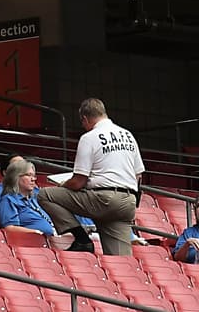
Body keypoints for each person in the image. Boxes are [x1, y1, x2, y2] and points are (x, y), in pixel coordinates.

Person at [40, 97, 146, 256]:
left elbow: (78, 182)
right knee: (120, 260)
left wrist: (64, 185)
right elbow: (138, 174)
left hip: (103, 199)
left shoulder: (89, 137)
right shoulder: (128, 135)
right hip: (127, 202)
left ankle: (82, 239)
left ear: (85, 118)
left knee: (45, 195)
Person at [0, 158, 61, 238]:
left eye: (34, 176)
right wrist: (36, 233)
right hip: (33, 242)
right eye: (28, 175)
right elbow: (9, 228)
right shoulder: (8, 200)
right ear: (15, 177)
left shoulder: (34, 199)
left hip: (53, 239)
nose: (33, 179)